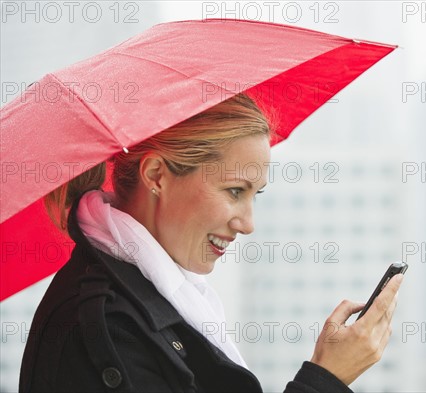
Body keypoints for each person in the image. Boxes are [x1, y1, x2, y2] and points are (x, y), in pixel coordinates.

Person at [19, 93, 404, 392]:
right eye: (235, 190)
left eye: (256, 194)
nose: (248, 224)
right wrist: (326, 378)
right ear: (156, 175)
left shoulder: (148, 296)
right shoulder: (105, 328)